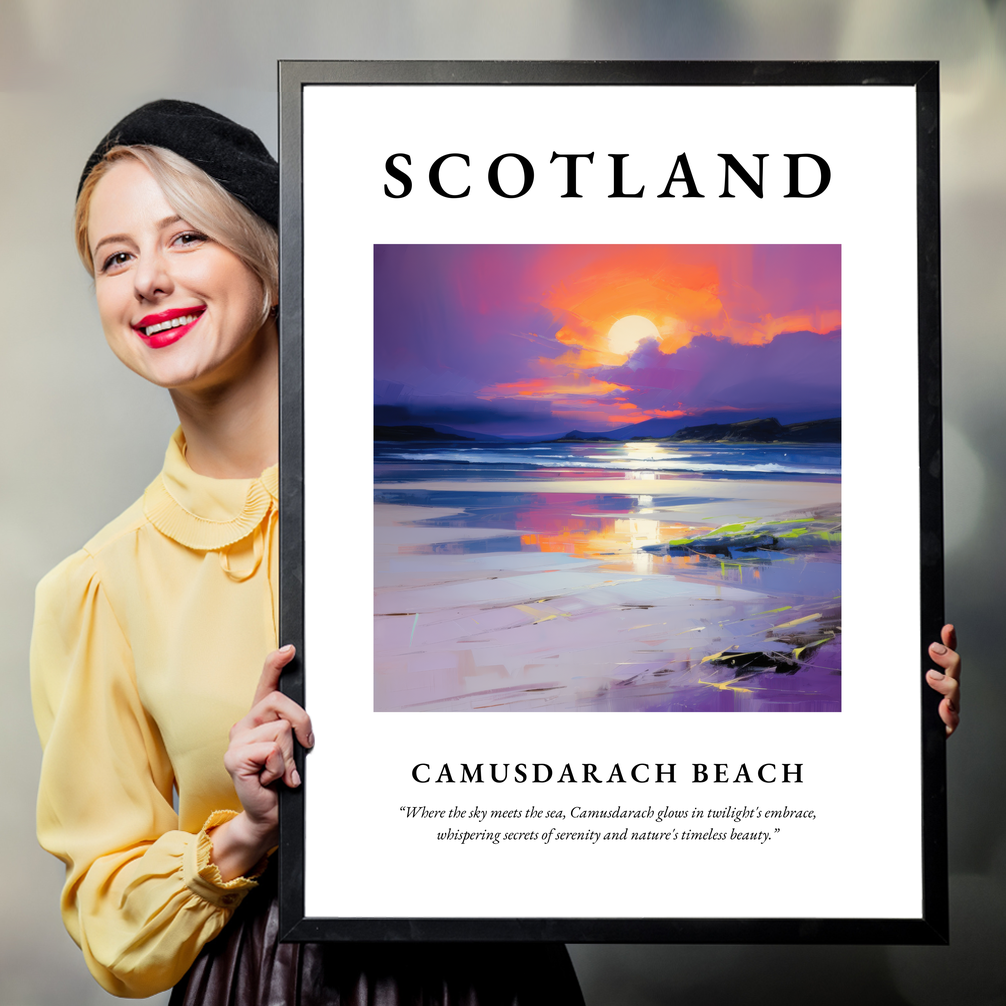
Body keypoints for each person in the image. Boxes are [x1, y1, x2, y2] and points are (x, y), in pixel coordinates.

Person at [30, 100, 585, 1004]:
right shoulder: (97, 587)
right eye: (116, 257)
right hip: (263, 982)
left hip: (492, 973)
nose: (148, 281)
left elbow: (611, 707)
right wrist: (245, 832)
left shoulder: (452, 499)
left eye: (186, 238)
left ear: (273, 263)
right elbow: (110, 924)